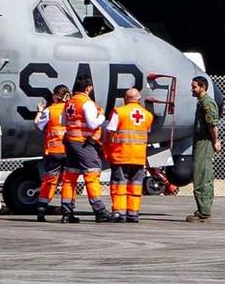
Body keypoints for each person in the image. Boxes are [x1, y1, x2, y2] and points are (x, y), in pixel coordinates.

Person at [59, 76, 113, 224]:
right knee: (92, 174)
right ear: (88, 87)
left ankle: (66, 212)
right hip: (83, 144)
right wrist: (101, 117)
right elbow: (92, 124)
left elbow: (63, 121)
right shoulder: (86, 103)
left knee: (70, 177)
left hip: (70, 143)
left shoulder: (70, 102)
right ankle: (100, 211)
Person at [105, 87, 155, 223]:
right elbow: (147, 132)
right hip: (138, 157)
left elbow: (109, 131)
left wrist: (107, 149)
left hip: (121, 155)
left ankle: (119, 213)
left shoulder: (119, 112)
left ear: (125, 99)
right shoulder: (147, 115)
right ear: (139, 99)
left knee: (119, 184)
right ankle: (133, 214)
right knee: (136, 185)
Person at [33, 85, 71, 223]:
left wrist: (39, 112)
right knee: (68, 182)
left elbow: (38, 125)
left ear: (55, 96)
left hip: (53, 152)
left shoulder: (50, 110)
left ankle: (41, 210)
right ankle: (67, 213)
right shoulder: (71, 110)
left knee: (49, 181)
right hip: (69, 151)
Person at [185, 76, 220, 223]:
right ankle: (203, 210)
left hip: (204, 143)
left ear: (202, 87)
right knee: (202, 175)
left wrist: (215, 141)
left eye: (194, 87)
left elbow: (212, 125)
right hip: (200, 142)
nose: (192, 89)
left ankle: (204, 212)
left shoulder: (207, 104)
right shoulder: (202, 103)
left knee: (201, 176)